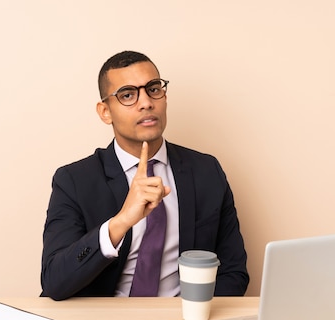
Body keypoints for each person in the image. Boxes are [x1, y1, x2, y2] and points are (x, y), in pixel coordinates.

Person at [40, 50, 248, 300]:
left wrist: (198, 319)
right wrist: (121, 222)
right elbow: (54, 281)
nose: (146, 102)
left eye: (153, 89)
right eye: (128, 95)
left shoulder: (206, 171)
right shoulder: (73, 181)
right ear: (105, 112)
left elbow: (233, 271)